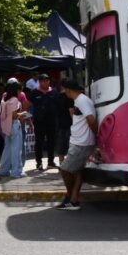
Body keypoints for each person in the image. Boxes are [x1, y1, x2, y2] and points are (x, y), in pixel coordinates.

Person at [56, 78, 97, 211]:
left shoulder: (81, 100)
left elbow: (91, 119)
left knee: (65, 170)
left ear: (68, 90)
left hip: (82, 143)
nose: (64, 93)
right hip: (79, 141)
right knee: (77, 172)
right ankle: (73, 200)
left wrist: (97, 136)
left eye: (64, 90)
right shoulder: (80, 100)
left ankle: (69, 196)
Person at [0, 79, 26, 178]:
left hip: (6, 126)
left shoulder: (5, 98)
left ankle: (3, 170)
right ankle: (16, 171)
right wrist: (23, 114)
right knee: (16, 150)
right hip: (14, 125)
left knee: (7, 149)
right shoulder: (14, 100)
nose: (20, 92)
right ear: (16, 90)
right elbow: (14, 115)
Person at [29, 73, 58, 171]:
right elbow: (27, 105)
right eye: (43, 80)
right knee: (39, 143)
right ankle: (39, 163)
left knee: (52, 142)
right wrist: (28, 118)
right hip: (39, 122)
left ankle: (51, 162)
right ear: (40, 82)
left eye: (47, 80)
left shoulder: (54, 92)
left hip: (52, 121)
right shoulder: (34, 92)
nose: (46, 82)